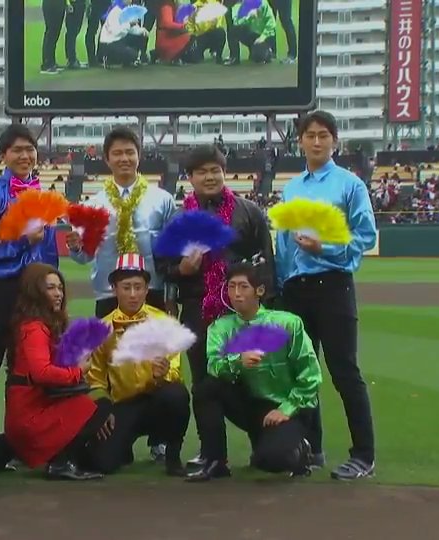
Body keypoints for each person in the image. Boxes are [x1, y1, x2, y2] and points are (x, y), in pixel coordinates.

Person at [157, 145, 275, 468]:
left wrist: (265, 309)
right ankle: (212, 452)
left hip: (243, 311)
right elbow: (163, 266)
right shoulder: (180, 220)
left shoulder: (248, 212)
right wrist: (181, 269)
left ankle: (263, 446)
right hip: (197, 308)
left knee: (252, 377)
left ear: (224, 173)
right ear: (190, 177)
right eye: (201, 172)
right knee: (203, 381)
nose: (209, 177)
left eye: (215, 170)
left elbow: (266, 262)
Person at [275, 110, 378, 480]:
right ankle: (310, 449)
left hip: (333, 285)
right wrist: (281, 284)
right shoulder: (291, 188)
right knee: (303, 372)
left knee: (344, 371)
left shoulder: (350, 185)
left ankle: (363, 455)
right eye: (310, 135)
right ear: (300, 141)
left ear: (335, 141)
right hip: (296, 289)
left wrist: (326, 248)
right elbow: (283, 244)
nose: (316, 141)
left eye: (323, 135)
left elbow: (366, 236)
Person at [0, 124, 58, 474]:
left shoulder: (41, 195)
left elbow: (47, 249)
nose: (25, 155)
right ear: (3, 155)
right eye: (17, 150)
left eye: (29, 149)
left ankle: (16, 444)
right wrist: (21, 240)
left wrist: (52, 286)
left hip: (32, 292)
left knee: (27, 372)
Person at [186, 262, 320, 481]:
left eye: (243, 287)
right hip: (251, 405)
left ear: (259, 290)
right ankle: (215, 460)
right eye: (231, 287)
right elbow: (214, 367)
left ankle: (301, 450)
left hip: (288, 407)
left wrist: (286, 409)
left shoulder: (288, 324)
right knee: (206, 388)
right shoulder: (220, 328)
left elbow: (310, 374)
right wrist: (238, 361)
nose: (236, 294)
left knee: (270, 461)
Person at [0, 263, 109, 480]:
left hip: (32, 408)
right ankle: (60, 464)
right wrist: (77, 371)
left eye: (60, 288)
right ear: (35, 291)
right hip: (31, 414)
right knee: (97, 406)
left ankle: (6, 446)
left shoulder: (39, 324)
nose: (58, 294)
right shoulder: (35, 328)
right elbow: (42, 373)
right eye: (50, 288)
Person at [86, 254, 191, 476]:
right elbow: (95, 378)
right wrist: (103, 409)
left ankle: (172, 455)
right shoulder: (102, 329)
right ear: (114, 289)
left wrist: (162, 375)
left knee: (177, 395)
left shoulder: (163, 322)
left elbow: (175, 371)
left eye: (138, 287)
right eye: (126, 287)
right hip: (123, 405)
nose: (133, 294)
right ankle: (123, 448)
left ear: (146, 289)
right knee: (102, 463)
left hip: (156, 399)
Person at [66, 126, 176, 319]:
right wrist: (76, 247)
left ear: (139, 156)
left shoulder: (163, 200)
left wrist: (171, 296)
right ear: (107, 159)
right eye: (117, 153)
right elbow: (84, 257)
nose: (124, 158)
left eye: (129, 152)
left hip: (152, 291)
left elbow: (172, 255)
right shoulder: (93, 205)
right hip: (108, 293)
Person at [98, 0, 150, 67]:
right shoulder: (115, 12)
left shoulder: (126, 11)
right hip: (109, 42)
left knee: (142, 35)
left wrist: (142, 31)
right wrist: (129, 24)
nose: (130, 1)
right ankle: (109, 58)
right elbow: (115, 31)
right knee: (132, 54)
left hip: (119, 39)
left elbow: (131, 30)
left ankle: (134, 58)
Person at [224, 0, 277, 65]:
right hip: (252, 34)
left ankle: (267, 53)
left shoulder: (263, 3)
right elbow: (236, 22)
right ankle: (234, 58)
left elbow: (272, 24)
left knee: (259, 56)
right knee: (233, 30)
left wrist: (263, 37)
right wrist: (248, 17)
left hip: (263, 36)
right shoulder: (240, 5)